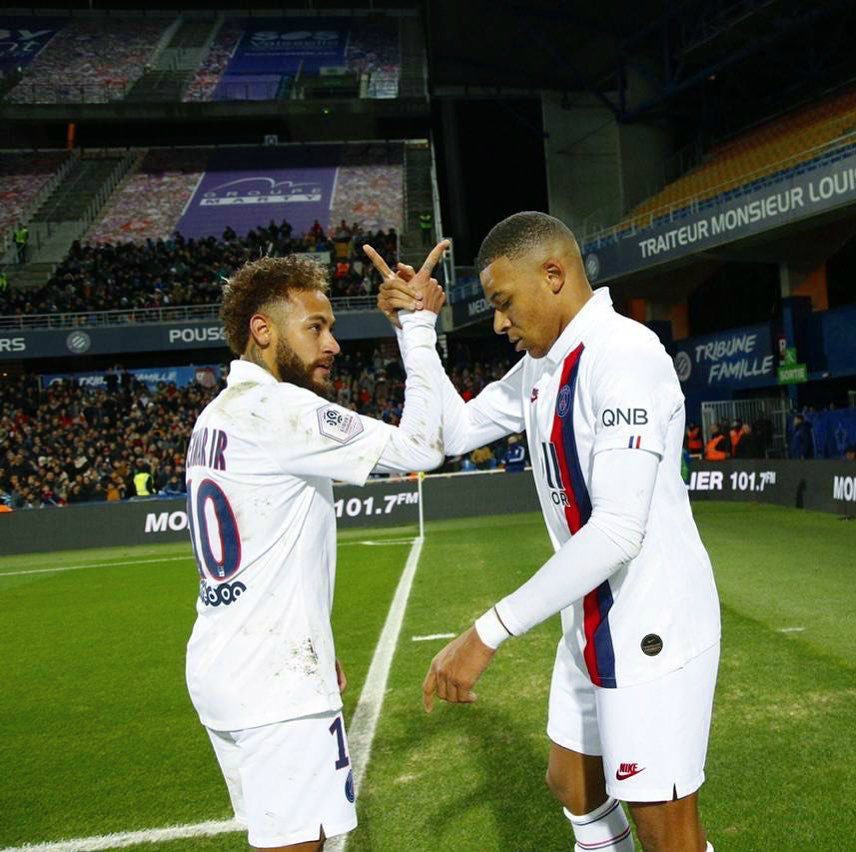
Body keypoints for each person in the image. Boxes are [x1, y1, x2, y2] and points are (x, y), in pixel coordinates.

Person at [371, 212, 720, 852]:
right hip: (589, 616)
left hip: (652, 621)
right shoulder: (544, 365)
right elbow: (446, 436)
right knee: (574, 785)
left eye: (504, 303)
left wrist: (487, 633)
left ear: (553, 274)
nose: (499, 323)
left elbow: (617, 529)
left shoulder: (625, 355)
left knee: (665, 830)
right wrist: (417, 329)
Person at [184, 245, 448, 852]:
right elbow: (423, 447)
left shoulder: (214, 417)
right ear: (263, 330)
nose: (332, 344)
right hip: (275, 682)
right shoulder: (281, 411)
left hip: (226, 661)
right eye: (316, 327)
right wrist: (418, 328)